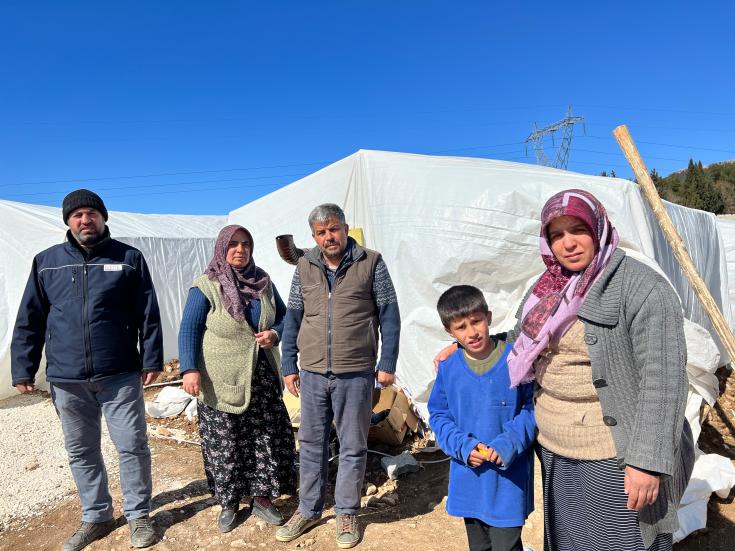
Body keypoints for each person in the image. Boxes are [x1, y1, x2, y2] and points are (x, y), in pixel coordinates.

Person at [507, 189, 694, 551]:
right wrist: (468, 346)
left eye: (578, 229)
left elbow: (665, 380)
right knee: (572, 540)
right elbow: (520, 338)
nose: (568, 244)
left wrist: (648, 463)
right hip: (556, 447)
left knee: (621, 541)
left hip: (614, 452)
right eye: (556, 235)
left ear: (599, 228)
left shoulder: (641, 287)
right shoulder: (548, 287)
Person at [11, 189, 162, 551]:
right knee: (81, 451)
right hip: (67, 378)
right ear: (67, 221)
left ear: (103, 217)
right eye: (77, 214)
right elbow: (29, 318)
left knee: (132, 445)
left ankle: (139, 514)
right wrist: (23, 368)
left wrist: (152, 359)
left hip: (120, 374)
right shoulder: (46, 262)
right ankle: (96, 516)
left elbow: (148, 314)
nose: (85, 220)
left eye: (91, 213)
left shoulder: (128, 258)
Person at [276, 203, 401, 549]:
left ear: (345, 228)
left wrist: (387, 360)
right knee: (312, 444)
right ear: (313, 236)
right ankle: (308, 509)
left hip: (356, 372)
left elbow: (389, 314)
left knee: (352, 444)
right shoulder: (304, 266)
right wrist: (288, 364)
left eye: (333, 229)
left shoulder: (371, 262)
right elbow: (293, 319)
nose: (328, 237)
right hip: (313, 372)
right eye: (320, 232)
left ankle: (347, 511)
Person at [178, 224, 296, 533]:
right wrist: (189, 369)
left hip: (262, 377)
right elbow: (189, 328)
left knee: (264, 439)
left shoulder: (263, 284)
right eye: (233, 244)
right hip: (220, 380)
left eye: (245, 244)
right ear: (221, 248)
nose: (240, 250)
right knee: (226, 442)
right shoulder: (205, 285)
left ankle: (261, 498)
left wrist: (275, 333)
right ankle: (229, 502)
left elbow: (284, 317)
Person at [429, 285, 535, 551]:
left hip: (507, 478)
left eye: (476, 321)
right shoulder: (449, 367)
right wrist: (463, 447)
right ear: (449, 332)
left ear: (488, 317)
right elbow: (439, 415)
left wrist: (509, 442)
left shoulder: (515, 359)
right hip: (469, 478)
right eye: (461, 327)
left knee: (506, 546)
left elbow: (533, 407)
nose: (472, 332)